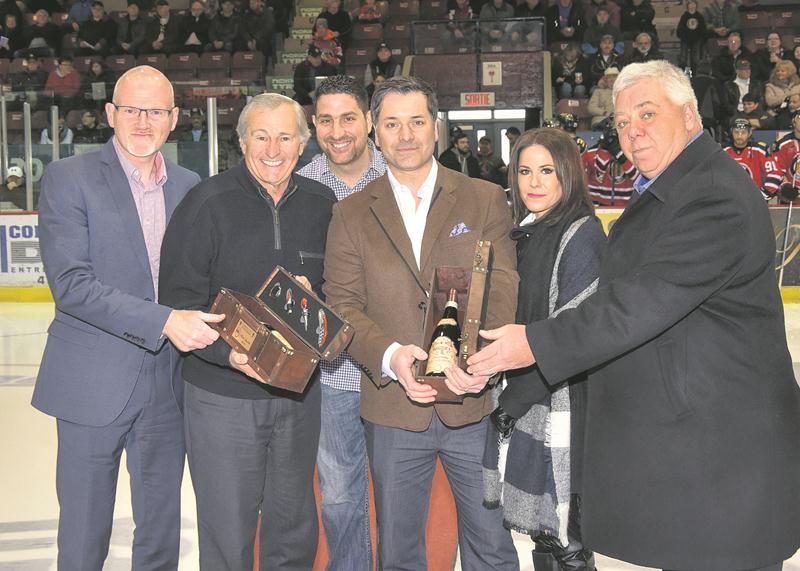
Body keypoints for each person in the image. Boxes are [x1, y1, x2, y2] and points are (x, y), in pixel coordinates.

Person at [466, 59, 800, 571]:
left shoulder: (711, 193)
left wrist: (533, 343)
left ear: (690, 115)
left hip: (724, 453)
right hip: (695, 446)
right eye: (622, 121)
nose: (632, 131)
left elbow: (637, 303)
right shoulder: (674, 186)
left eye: (647, 113)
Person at [322, 75, 520, 571]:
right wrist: (392, 357)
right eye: (392, 123)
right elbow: (342, 306)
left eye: (416, 121)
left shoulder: (485, 197)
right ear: (375, 131)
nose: (405, 134)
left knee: (491, 546)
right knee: (399, 551)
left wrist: (479, 363)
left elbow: (501, 286)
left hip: (472, 402)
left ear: (436, 127)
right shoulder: (349, 214)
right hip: (393, 409)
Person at [32, 65, 221, 571]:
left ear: (174, 118)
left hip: (168, 387)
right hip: (91, 386)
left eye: (156, 110)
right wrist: (164, 322)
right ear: (110, 114)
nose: (143, 121)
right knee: (84, 534)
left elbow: (204, 277)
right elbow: (71, 286)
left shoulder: (189, 184)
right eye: (132, 109)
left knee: (160, 533)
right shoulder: (67, 179)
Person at [159, 92, 335, 571]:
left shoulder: (323, 204)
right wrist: (226, 353)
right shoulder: (206, 202)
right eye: (261, 136)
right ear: (241, 142)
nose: (273, 149)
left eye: (285, 137)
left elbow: (341, 295)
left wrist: (317, 308)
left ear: (303, 145)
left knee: (293, 527)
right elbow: (177, 303)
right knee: (228, 530)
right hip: (222, 399)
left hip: (298, 399)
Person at [483, 127, 605, 571]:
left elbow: (573, 331)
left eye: (546, 171)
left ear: (567, 174)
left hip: (560, 404)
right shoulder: (525, 233)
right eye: (524, 171)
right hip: (529, 401)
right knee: (544, 534)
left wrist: (513, 400)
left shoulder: (581, 235)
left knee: (566, 535)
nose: (533, 182)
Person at [296, 74, 386, 571]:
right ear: (313, 125)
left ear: (369, 121)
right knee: (338, 494)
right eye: (326, 120)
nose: (338, 131)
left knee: (398, 489)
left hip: (392, 367)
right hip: (330, 375)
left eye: (348, 117)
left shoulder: (400, 176)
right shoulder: (302, 185)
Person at [723, 118, 777, 200]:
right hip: (730, 200)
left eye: (743, 132)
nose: (739, 135)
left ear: (749, 133)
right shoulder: (722, 151)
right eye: (736, 132)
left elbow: (775, 173)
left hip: (754, 200)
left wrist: (764, 194)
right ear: (731, 132)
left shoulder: (760, 150)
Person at [722, 58, 765, 125]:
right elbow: (726, 105)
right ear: (737, 71)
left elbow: (761, 101)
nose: (747, 71)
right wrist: (738, 113)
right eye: (743, 69)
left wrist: (755, 112)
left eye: (748, 69)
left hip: (754, 114)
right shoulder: (729, 85)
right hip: (735, 114)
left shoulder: (757, 84)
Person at [771, 110, 800, 205]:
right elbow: (777, 170)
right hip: (790, 196)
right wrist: (785, 186)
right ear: (793, 121)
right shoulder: (783, 144)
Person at [676, 0, 705, 74]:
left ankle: (694, 74)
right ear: (687, 6)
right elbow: (679, 30)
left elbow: (703, 29)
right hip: (685, 40)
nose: (692, 6)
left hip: (696, 40)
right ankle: (684, 73)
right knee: (683, 58)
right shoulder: (684, 16)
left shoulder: (699, 17)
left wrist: (699, 36)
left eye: (693, 4)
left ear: (696, 6)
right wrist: (684, 35)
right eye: (690, 4)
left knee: (695, 59)